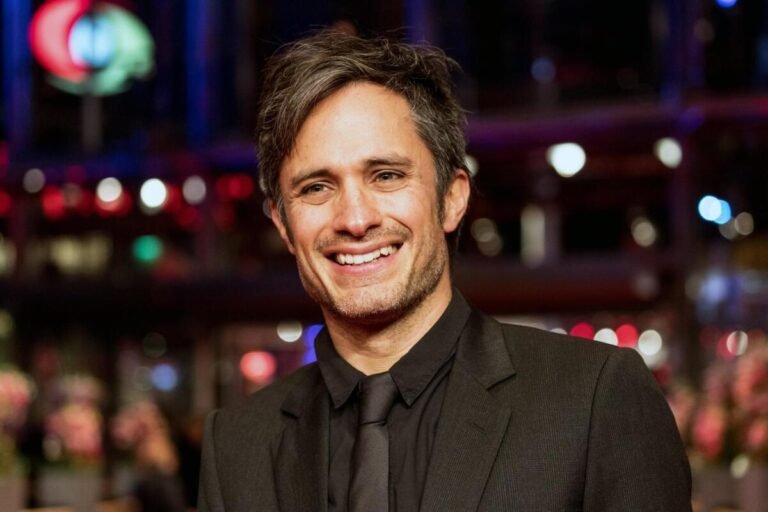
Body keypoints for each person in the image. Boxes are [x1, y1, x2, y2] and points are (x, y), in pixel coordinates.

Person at [198, 30, 691, 512]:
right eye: (316, 188)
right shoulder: (236, 445)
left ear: (452, 199)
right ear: (283, 223)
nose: (355, 219)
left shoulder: (595, 398)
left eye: (386, 176)